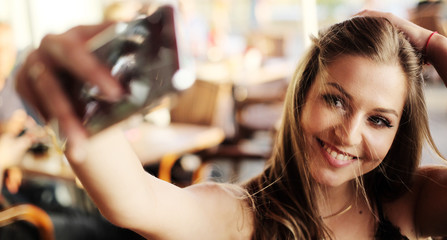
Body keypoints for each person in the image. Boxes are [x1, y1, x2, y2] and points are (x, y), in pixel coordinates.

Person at [14, 7, 447, 239]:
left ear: (399, 129)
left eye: (378, 120)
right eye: (335, 100)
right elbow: (136, 200)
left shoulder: (409, 203)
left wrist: (433, 44)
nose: (350, 135)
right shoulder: (241, 215)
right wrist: (73, 97)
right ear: (302, 95)